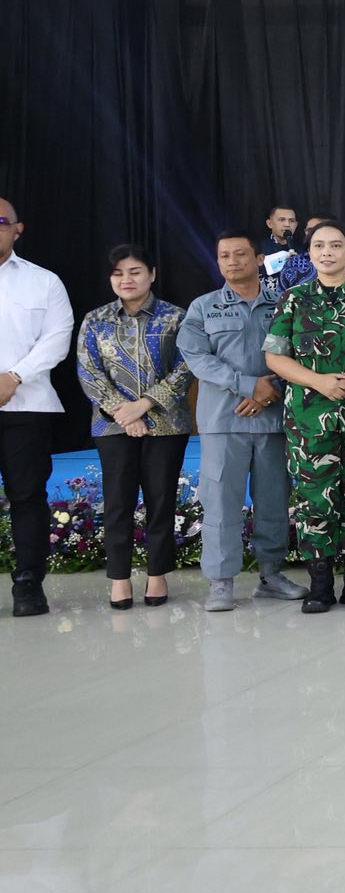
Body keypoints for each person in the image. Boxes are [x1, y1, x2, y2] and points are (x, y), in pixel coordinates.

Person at [262, 223, 345, 613]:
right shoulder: (293, 299)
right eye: (319, 246)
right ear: (310, 253)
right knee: (313, 498)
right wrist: (317, 381)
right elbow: (275, 356)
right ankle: (320, 584)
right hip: (309, 416)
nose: (327, 252)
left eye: (336, 246)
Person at [178, 230, 304, 611]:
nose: (232, 262)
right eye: (224, 256)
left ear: (258, 258)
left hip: (273, 420)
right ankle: (221, 581)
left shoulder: (283, 303)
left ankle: (271, 575)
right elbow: (197, 358)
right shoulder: (203, 307)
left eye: (240, 254)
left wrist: (271, 387)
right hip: (223, 420)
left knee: (274, 500)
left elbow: (301, 351)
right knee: (220, 503)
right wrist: (248, 386)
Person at [75, 244, 192, 610]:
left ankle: (157, 574)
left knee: (161, 500)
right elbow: (88, 371)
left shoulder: (176, 317)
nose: (126, 279)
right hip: (113, 426)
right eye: (118, 274)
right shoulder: (96, 320)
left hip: (167, 424)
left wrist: (144, 405)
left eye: (135, 272)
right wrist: (124, 413)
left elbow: (186, 367)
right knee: (117, 502)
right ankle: (119, 578)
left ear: (152, 274)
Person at [0, 196, 71, 618]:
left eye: (0, 221)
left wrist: (13, 377)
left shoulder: (44, 281)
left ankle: (28, 584)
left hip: (27, 407)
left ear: (17, 229)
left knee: (27, 496)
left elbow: (58, 337)